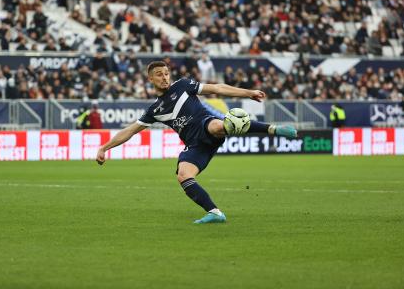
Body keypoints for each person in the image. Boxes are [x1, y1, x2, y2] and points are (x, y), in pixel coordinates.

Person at [96, 61, 297, 224]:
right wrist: (104, 147)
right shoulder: (155, 110)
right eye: (159, 74)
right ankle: (215, 213)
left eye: (166, 73)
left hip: (206, 126)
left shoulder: (183, 85)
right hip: (195, 145)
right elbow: (130, 131)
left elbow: (217, 87)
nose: (164, 77)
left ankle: (272, 129)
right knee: (183, 175)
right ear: (150, 79)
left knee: (218, 126)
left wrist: (248, 92)